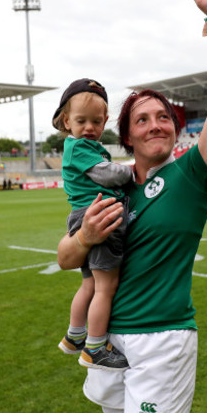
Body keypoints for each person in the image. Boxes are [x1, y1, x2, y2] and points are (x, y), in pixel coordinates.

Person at [56, 0, 207, 413]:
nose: (156, 124)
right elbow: (66, 258)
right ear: (127, 136)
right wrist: (83, 238)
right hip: (109, 343)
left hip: (162, 340)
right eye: (143, 119)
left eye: (164, 117)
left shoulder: (192, 174)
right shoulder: (109, 188)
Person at [53, 78, 133, 371]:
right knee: (105, 287)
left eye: (96, 121)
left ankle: (75, 336)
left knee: (89, 283)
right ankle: (95, 347)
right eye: (81, 120)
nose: (89, 127)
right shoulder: (79, 147)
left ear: (105, 121)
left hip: (84, 215)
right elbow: (107, 175)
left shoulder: (79, 145)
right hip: (97, 215)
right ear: (66, 121)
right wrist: (132, 171)